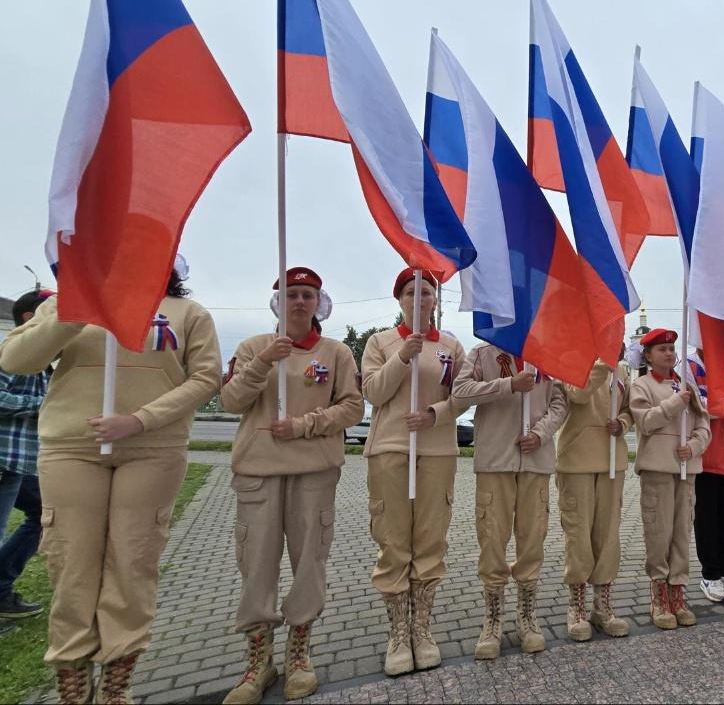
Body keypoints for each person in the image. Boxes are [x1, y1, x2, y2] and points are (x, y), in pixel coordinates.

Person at [0, 263, 221, 704]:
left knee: (132, 562)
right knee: (71, 563)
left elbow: (206, 377)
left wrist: (140, 420)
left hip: (153, 448)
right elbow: (17, 359)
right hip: (72, 446)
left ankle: (118, 678)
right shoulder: (66, 305)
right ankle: (72, 677)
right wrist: (80, 311)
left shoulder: (187, 312)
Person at [220, 268, 363, 704]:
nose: (299, 301)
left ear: (319, 303)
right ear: (277, 302)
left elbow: (353, 407)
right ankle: (258, 662)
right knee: (257, 563)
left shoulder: (335, 352)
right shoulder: (252, 348)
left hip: (314, 471)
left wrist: (304, 425)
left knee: (309, 563)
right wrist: (265, 361)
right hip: (259, 472)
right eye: (291, 294)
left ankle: (299, 654)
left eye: (307, 295)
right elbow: (230, 402)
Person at [361, 268, 466, 676]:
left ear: (435, 300)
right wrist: (403, 355)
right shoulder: (380, 342)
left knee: (429, 540)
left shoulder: (452, 346)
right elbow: (372, 392)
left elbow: (462, 396)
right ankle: (398, 634)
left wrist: (436, 414)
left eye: (427, 292)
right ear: (399, 300)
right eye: (410, 292)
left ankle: (422, 629)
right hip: (390, 449)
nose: (419, 299)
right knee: (393, 541)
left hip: (437, 450)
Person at [452, 343, 567, 659]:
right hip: (495, 461)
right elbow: (460, 392)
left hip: (536, 460)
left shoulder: (546, 353)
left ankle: (527, 617)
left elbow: (559, 403)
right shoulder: (483, 354)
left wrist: (541, 433)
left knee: (533, 541)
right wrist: (508, 385)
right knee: (492, 541)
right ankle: (492, 620)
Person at [629, 328, 710, 630]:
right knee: (658, 533)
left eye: (671, 348)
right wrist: (677, 403)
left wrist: (695, 446)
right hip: (658, 469)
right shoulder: (642, 386)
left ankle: (678, 592)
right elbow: (646, 422)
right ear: (648, 356)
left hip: (686, 470)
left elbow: (704, 425)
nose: (668, 353)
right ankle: (658, 594)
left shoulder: (686, 386)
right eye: (661, 349)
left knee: (681, 534)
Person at [555, 353, 633, 641]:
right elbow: (578, 394)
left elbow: (628, 410)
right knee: (578, 535)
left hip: (613, 460)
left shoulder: (622, 371)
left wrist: (623, 424)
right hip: (576, 460)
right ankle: (576, 606)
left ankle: (602, 605)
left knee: (608, 534)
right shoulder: (570, 360)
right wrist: (603, 362)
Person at [0, 290, 53, 625]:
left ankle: (2, 587)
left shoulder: (44, 366)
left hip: (19, 464)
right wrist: (42, 407)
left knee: (46, 514)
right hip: (2, 461)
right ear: (29, 319)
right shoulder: (12, 355)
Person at [686, 350, 724, 604]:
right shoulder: (690, 365)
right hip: (707, 457)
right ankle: (710, 574)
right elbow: (702, 409)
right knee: (707, 518)